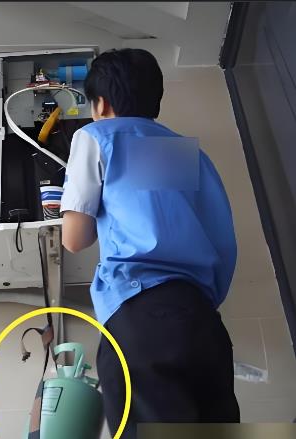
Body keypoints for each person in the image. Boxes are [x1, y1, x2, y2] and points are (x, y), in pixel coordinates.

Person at [60, 48, 240, 438]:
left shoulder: (97, 135)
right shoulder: (185, 153)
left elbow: (75, 239)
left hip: (141, 315)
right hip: (202, 319)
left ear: (100, 104)